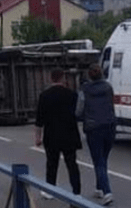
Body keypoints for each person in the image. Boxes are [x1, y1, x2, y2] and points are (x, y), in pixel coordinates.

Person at [35, 68, 81, 200]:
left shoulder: (44, 95)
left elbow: (39, 119)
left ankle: (50, 189)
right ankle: (76, 191)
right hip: (69, 134)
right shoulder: (72, 94)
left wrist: (38, 138)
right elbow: (77, 113)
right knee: (72, 164)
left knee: (52, 163)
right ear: (63, 78)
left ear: (51, 78)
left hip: (52, 135)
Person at [76, 63, 116, 206]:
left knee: (98, 160)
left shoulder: (85, 89)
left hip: (93, 127)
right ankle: (99, 187)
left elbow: (79, 109)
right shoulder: (108, 87)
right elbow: (111, 104)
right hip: (110, 125)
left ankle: (107, 192)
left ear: (89, 75)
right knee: (103, 158)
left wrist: (78, 118)